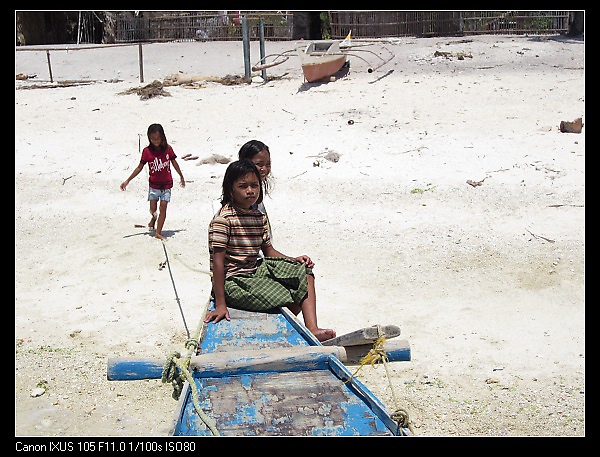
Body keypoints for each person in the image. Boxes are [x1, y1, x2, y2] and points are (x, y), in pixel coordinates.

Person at [205, 159, 336, 342]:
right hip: (234, 281)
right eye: (243, 186)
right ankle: (282, 329)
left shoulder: (258, 216)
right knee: (289, 294)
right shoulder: (223, 220)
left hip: (255, 270)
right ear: (230, 189)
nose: (250, 190)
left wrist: (294, 260)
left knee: (303, 272)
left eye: (254, 185)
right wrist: (220, 304)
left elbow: (269, 250)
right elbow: (218, 264)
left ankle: (312, 327)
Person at [120, 123, 185, 240]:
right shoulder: (146, 151)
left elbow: (174, 163)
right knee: (153, 209)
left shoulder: (168, 149)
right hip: (154, 186)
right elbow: (139, 167)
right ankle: (153, 218)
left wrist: (181, 176)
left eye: (158, 139)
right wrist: (127, 180)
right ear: (149, 138)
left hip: (166, 185)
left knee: (163, 207)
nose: (156, 141)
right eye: (153, 139)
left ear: (163, 137)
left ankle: (158, 232)